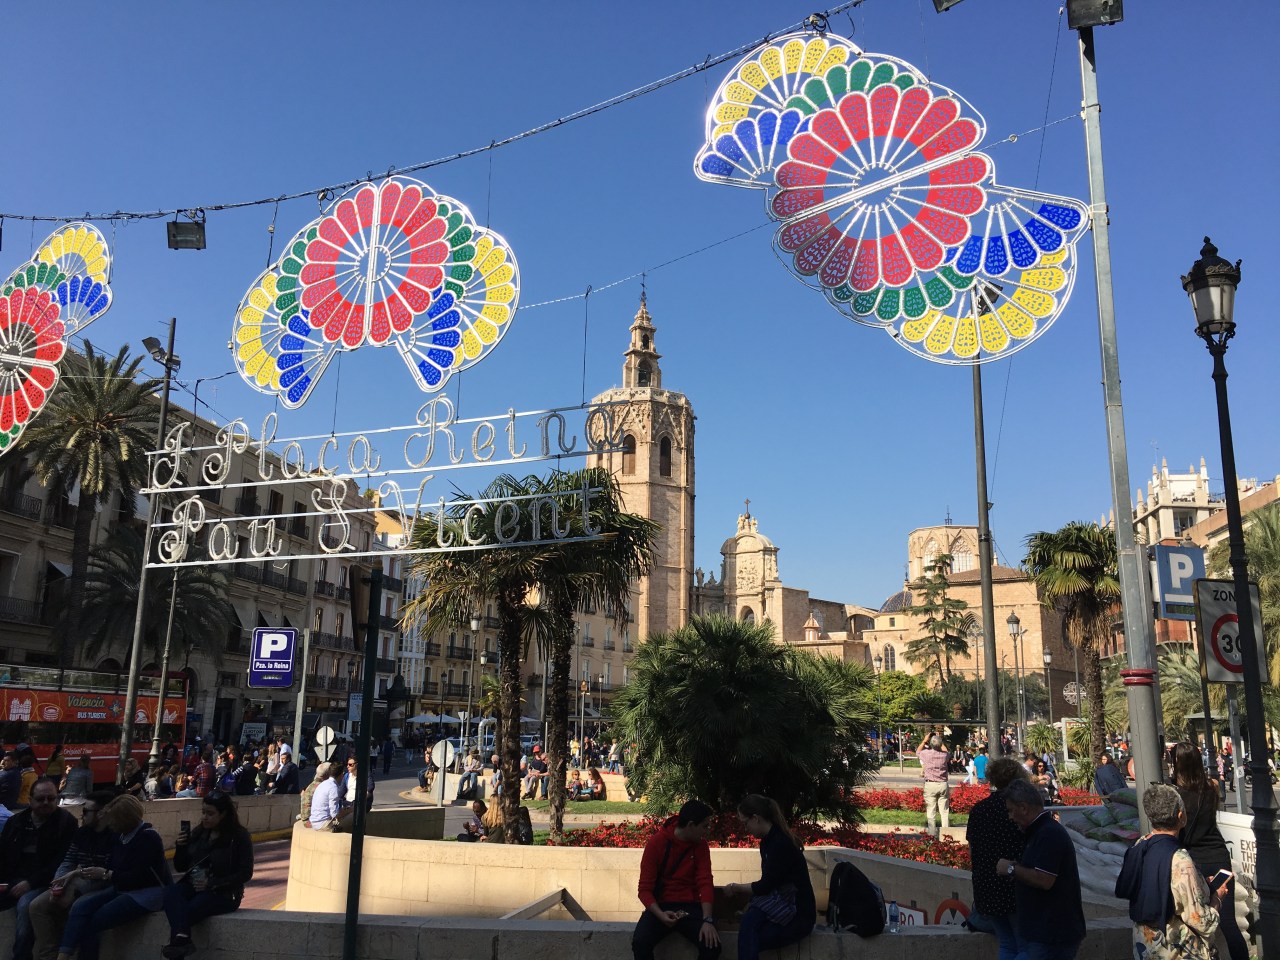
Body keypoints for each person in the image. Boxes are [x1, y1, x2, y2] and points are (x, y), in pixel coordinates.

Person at [56, 794, 171, 960]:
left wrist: (107, 874)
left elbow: (140, 877)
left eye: (113, 820)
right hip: (122, 887)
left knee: (94, 921)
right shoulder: (120, 837)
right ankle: (63, 955)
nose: (110, 824)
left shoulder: (148, 838)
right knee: (80, 907)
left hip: (145, 893)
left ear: (124, 819)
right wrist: (78, 872)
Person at [1115, 784, 1223, 960]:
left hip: (1145, 946)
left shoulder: (1140, 846)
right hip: (1175, 950)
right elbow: (1200, 921)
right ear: (1181, 816)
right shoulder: (1180, 860)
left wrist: (1201, 883)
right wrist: (1217, 898)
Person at [1172, 741, 1248, 960]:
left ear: (1178, 763)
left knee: (1194, 919)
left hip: (1193, 863)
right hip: (1219, 858)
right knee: (1229, 922)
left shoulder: (1176, 796)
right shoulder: (1211, 787)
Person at [996, 779, 1086, 960]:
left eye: (1011, 811)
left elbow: (1044, 879)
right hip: (1041, 931)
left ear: (1023, 808)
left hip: (1052, 934)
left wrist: (1011, 869)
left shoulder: (1048, 834)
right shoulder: (1037, 831)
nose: (1010, 817)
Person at [161, 790, 254, 959]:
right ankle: (182, 941)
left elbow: (245, 873)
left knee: (189, 910)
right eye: (203, 812)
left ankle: (179, 944)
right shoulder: (200, 832)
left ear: (223, 814)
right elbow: (181, 867)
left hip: (223, 892)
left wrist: (211, 883)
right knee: (170, 894)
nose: (205, 817)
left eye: (210, 814)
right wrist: (181, 847)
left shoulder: (239, 836)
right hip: (194, 885)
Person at [723, 795, 815, 960]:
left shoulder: (780, 843)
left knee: (751, 936)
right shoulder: (767, 841)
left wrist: (735, 887)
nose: (745, 828)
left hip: (797, 912)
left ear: (756, 818)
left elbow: (765, 886)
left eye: (745, 823)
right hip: (780, 903)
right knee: (749, 925)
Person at [28, 790, 116, 960]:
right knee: (36, 906)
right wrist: (59, 883)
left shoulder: (114, 837)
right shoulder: (82, 833)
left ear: (102, 813)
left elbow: (106, 875)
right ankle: (48, 955)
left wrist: (75, 890)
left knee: (76, 907)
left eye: (86, 811)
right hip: (77, 881)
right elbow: (69, 860)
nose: (82, 815)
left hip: (99, 886)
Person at [631, 799, 720, 960]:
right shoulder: (657, 843)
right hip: (661, 906)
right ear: (691, 825)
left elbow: (705, 881)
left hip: (690, 907)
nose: (707, 831)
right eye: (705, 826)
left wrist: (708, 919)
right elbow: (644, 890)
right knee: (640, 942)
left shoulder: (701, 846)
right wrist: (660, 914)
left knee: (712, 946)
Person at [0, 778, 77, 960]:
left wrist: (30, 883)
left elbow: (63, 861)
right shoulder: (16, 822)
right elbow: (3, 855)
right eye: (41, 799)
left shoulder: (66, 823)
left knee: (25, 905)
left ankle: (21, 956)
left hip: (44, 882)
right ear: (30, 800)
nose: (46, 803)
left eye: (51, 798)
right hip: (13, 879)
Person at [965, 758, 1031, 960]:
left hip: (987, 887)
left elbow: (972, 848)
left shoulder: (979, 809)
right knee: (1026, 947)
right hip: (1015, 886)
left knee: (1007, 944)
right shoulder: (1020, 809)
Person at [919, 733, 951, 838]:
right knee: (944, 811)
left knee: (931, 810)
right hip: (943, 784)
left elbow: (918, 751)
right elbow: (946, 751)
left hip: (930, 784)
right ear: (940, 744)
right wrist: (940, 740)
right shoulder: (944, 755)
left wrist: (924, 740)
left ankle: (932, 834)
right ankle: (946, 834)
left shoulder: (926, 754)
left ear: (930, 744)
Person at [307, 763, 347, 831]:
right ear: (341, 774)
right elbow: (334, 814)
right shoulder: (333, 787)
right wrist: (348, 810)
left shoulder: (323, 784)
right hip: (324, 824)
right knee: (353, 816)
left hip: (314, 822)